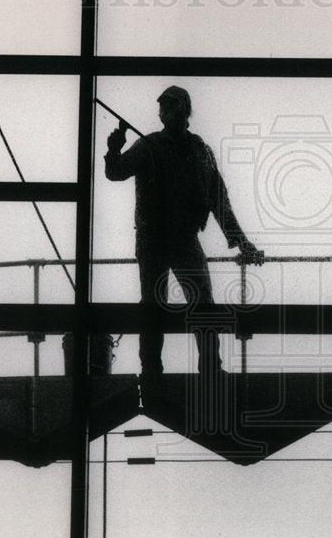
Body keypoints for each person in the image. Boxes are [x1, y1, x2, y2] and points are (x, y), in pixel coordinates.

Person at [105, 85, 258, 375]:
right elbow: (116, 172)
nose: (164, 111)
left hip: (182, 238)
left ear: (185, 111)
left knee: (201, 301)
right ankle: (152, 369)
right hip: (153, 239)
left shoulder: (198, 150)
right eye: (162, 106)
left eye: (171, 106)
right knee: (154, 304)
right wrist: (114, 150)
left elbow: (217, 197)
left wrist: (241, 241)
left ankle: (210, 367)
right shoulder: (150, 146)